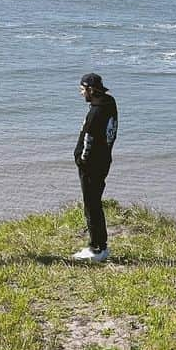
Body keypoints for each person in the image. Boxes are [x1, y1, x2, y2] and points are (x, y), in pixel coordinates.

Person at [72, 72, 118, 262]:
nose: (81, 93)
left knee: (91, 205)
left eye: (83, 90)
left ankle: (97, 248)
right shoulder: (109, 103)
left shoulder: (96, 112)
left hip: (92, 165)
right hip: (104, 160)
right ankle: (100, 245)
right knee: (95, 203)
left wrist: (81, 160)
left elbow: (89, 140)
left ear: (91, 90)